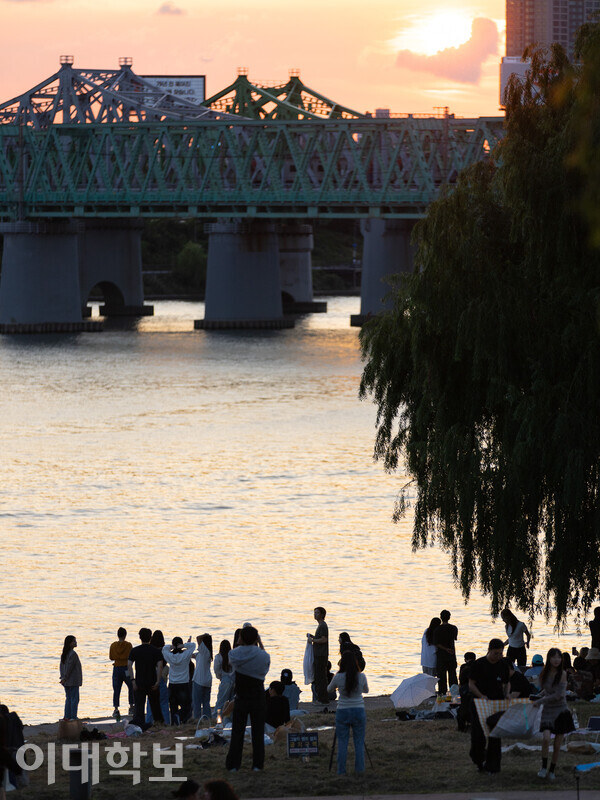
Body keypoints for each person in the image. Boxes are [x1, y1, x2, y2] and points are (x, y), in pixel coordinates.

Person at [225, 625, 270, 772]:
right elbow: (266, 663)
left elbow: (231, 660)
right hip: (258, 696)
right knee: (258, 732)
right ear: (256, 639)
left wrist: (240, 642)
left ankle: (233, 765)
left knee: (237, 732)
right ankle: (257, 765)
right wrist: (260, 643)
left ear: (241, 638)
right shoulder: (263, 655)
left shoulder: (234, 654)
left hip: (242, 697)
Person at [533, 647, 575, 780]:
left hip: (561, 711)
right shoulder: (544, 673)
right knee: (546, 739)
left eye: (559, 657)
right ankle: (543, 767)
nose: (556, 660)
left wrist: (540, 701)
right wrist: (538, 696)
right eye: (553, 657)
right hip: (547, 710)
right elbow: (546, 690)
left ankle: (552, 770)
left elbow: (558, 695)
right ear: (549, 659)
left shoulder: (562, 674)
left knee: (557, 745)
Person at [468, 638, 509, 774]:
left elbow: (507, 682)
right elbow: (471, 684)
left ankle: (493, 766)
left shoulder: (503, 665)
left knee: (495, 736)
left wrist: (507, 694)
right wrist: (481, 695)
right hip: (479, 704)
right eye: (496, 653)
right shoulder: (478, 665)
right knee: (478, 737)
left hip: (496, 704)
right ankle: (479, 761)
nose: (498, 656)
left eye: (501, 653)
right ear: (489, 650)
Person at [327, 650, 369, 775]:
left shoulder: (338, 677)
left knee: (342, 742)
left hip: (343, 711)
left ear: (342, 663)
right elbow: (366, 690)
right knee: (359, 742)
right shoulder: (361, 676)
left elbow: (329, 689)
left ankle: (341, 771)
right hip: (358, 710)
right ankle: (359, 770)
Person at [128, 627, 164, 728]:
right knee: (156, 707)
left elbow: (129, 665)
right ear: (150, 637)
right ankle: (159, 725)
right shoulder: (155, 651)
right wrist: (158, 681)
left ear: (140, 637)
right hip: (152, 682)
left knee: (139, 707)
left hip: (139, 682)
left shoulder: (135, 650)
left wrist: (133, 680)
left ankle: (140, 726)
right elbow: (160, 666)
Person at [163, 636, 195, 725]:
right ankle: (179, 716)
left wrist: (172, 647)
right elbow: (193, 645)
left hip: (172, 684)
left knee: (173, 706)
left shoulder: (170, 656)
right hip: (183, 684)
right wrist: (183, 645)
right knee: (187, 706)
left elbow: (164, 649)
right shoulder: (185, 655)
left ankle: (174, 723)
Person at [109, 627, 133, 719]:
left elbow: (111, 657)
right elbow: (131, 656)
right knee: (131, 686)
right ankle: (131, 706)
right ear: (125, 635)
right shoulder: (128, 645)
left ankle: (116, 709)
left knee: (116, 689)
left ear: (117, 635)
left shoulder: (113, 645)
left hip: (116, 668)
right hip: (126, 668)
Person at [433, 610, 458, 695]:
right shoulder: (454, 628)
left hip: (441, 656)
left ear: (441, 617)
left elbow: (436, 643)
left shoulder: (437, 629)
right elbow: (454, 638)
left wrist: (445, 649)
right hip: (451, 655)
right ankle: (454, 693)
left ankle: (442, 693)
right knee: (453, 676)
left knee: (441, 677)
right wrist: (448, 649)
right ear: (449, 617)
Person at [307, 607, 329, 706]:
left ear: (322, 615)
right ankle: (321, 698)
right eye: (314, 612)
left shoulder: (323, 626)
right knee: (319, 677)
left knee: (321, 677)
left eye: (317, 613)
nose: (315, 614)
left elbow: (324, 639)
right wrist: (313, 637)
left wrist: (313, 640)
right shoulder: (320, 626)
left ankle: (322, 699)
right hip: (318, 655)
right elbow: (320, 638)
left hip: (321, 655)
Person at [59, 635, 82, 719]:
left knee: (68, 699)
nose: (76, 642)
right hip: (72, 681)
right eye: (74, 641)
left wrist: (63, 677)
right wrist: (65, 678)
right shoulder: (73, 654)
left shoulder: (65, 654)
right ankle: (73, 717)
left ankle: (67, 716)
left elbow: (61, 667)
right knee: (74, 699)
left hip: (66, 681)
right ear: (69, 643)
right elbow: (69, 667)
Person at [192, 633, 213, 720]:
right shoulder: (203, 653)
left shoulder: (204, 651)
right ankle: (207, 720)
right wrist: (188, 646)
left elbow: (198, 637)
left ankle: (197, 720)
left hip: (199, 680)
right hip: (207, 681)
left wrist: (205, 635)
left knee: (196, 703)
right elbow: (190, 655)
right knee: (206, 702)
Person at [214, 640, 235, 717]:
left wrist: (220, 677)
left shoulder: (218, 657)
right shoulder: (233, 656)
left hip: (225, 680)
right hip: (234, 680)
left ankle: (217, 717)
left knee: (221, 701)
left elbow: (216, 670)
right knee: (232, 702)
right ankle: (230, 718)